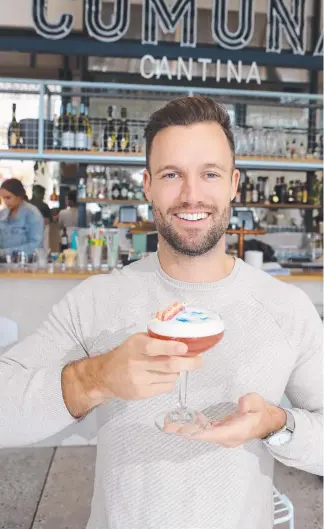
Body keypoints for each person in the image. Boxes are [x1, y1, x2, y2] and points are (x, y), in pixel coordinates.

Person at [0, 97, 322, 529]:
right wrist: (94, 378)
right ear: (148, 185)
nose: (192, 195)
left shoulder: (286, 309)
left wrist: (276, 424)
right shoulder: (97, 301)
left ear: (234, 184)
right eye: (172, 175)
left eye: (210, 173)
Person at [0, 178, 44, 255]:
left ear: (19, 196)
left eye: (8, 197)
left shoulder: (33, 214)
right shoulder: (2, 213)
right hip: (5, 262)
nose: (5, 201)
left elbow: (36, 245)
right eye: (3, 198)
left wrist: (6, 252)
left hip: (27, 263)